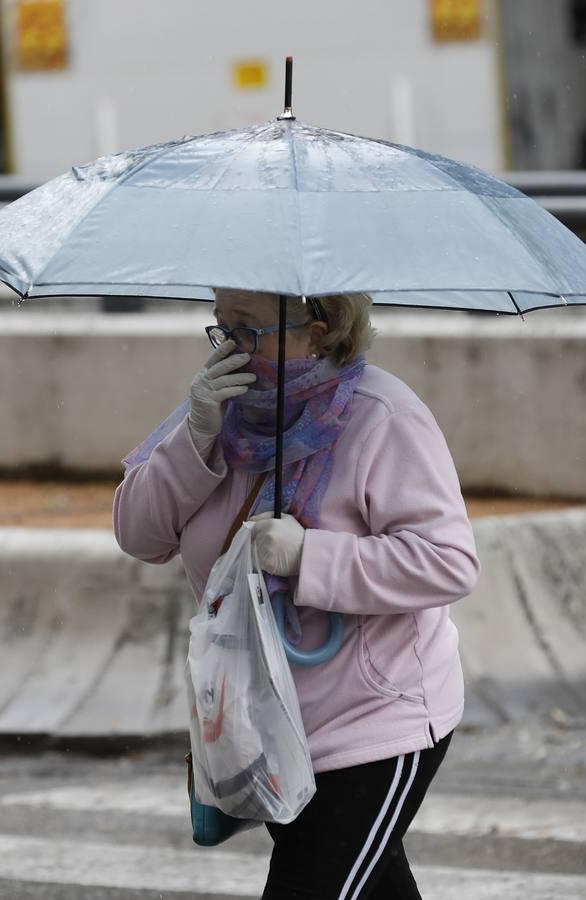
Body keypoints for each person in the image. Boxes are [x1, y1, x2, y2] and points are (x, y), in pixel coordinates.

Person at [113, 288, 479, 900]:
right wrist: (193, 438)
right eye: (222, 327)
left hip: (373, 723)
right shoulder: (221, 410)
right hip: (270, 728)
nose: (231, 348)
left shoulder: (382, 415)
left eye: (250, 330)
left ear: (318, 330)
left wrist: (309, 556)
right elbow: (139, 534)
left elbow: (448, 563)